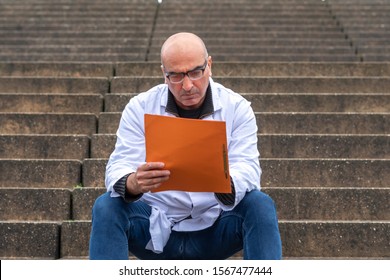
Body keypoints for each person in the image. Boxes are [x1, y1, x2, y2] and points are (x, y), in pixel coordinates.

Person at [89, 32, 282, 260]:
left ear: (209, 65)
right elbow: (118, 165)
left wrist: (225, 182)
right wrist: (133, 182)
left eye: (195, 72)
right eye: (176, 76)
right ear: (164, 74)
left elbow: (248, 167)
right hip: (154, 228)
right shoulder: (139, 107)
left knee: (260, 205)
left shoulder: (237, 107)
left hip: (215, 228)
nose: (188, 85)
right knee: (106, 206)